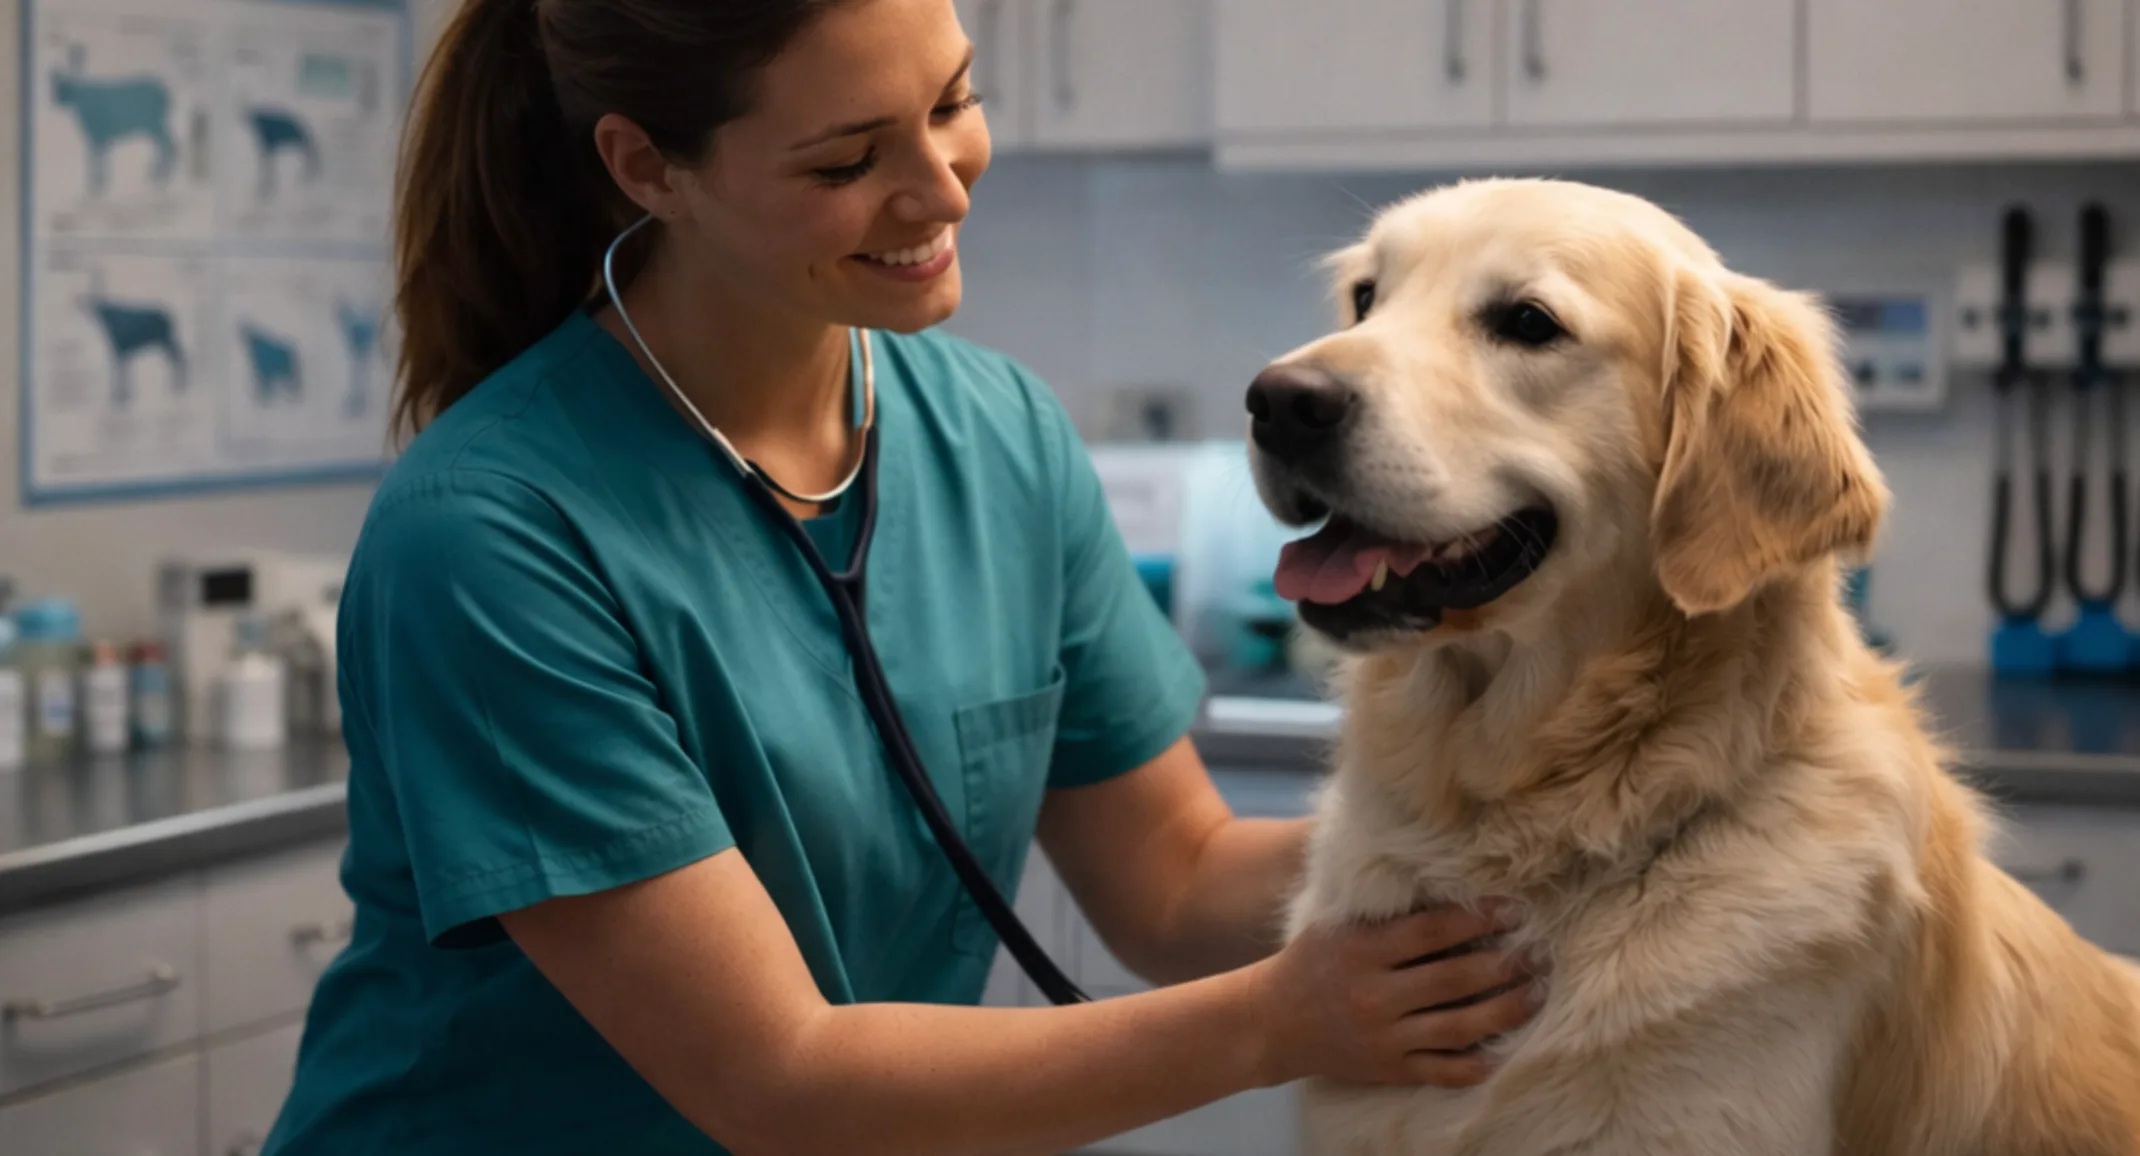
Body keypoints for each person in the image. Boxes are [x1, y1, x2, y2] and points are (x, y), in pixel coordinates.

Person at [263, 1, 1540, 1152]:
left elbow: (1174, 878)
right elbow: (780, 1079)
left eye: (952, 102)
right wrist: (1280, 1022)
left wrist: (1534, 848)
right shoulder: (492, 537)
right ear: (648, 167)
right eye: (846, 159)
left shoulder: (999, 435)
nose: (943, 189)